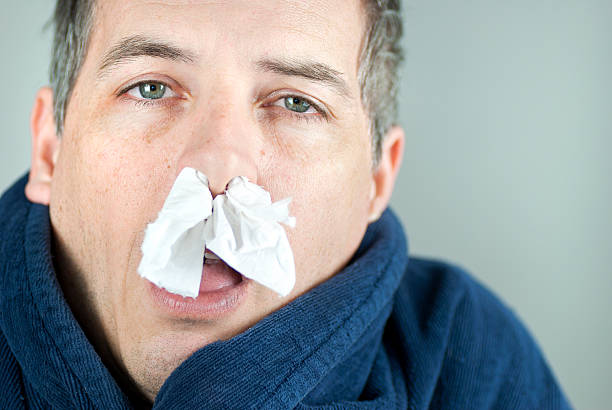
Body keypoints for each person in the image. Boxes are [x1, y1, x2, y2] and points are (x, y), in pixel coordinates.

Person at [0, 0, 571, 408]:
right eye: (151, 88)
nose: (218, 167)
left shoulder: (467, 354)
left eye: (297, 102)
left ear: (377, 179)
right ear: (50, 149)